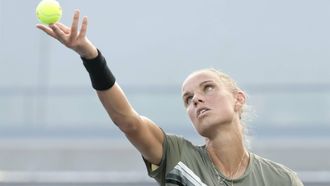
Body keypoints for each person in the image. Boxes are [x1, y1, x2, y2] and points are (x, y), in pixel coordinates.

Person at [36, 10, 304, 186]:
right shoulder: (177, 157)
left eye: (208, 88)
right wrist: (92, 58)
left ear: (238, 99)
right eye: (188, 99)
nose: (196, 100)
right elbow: (127, 121)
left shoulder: (281, 179)